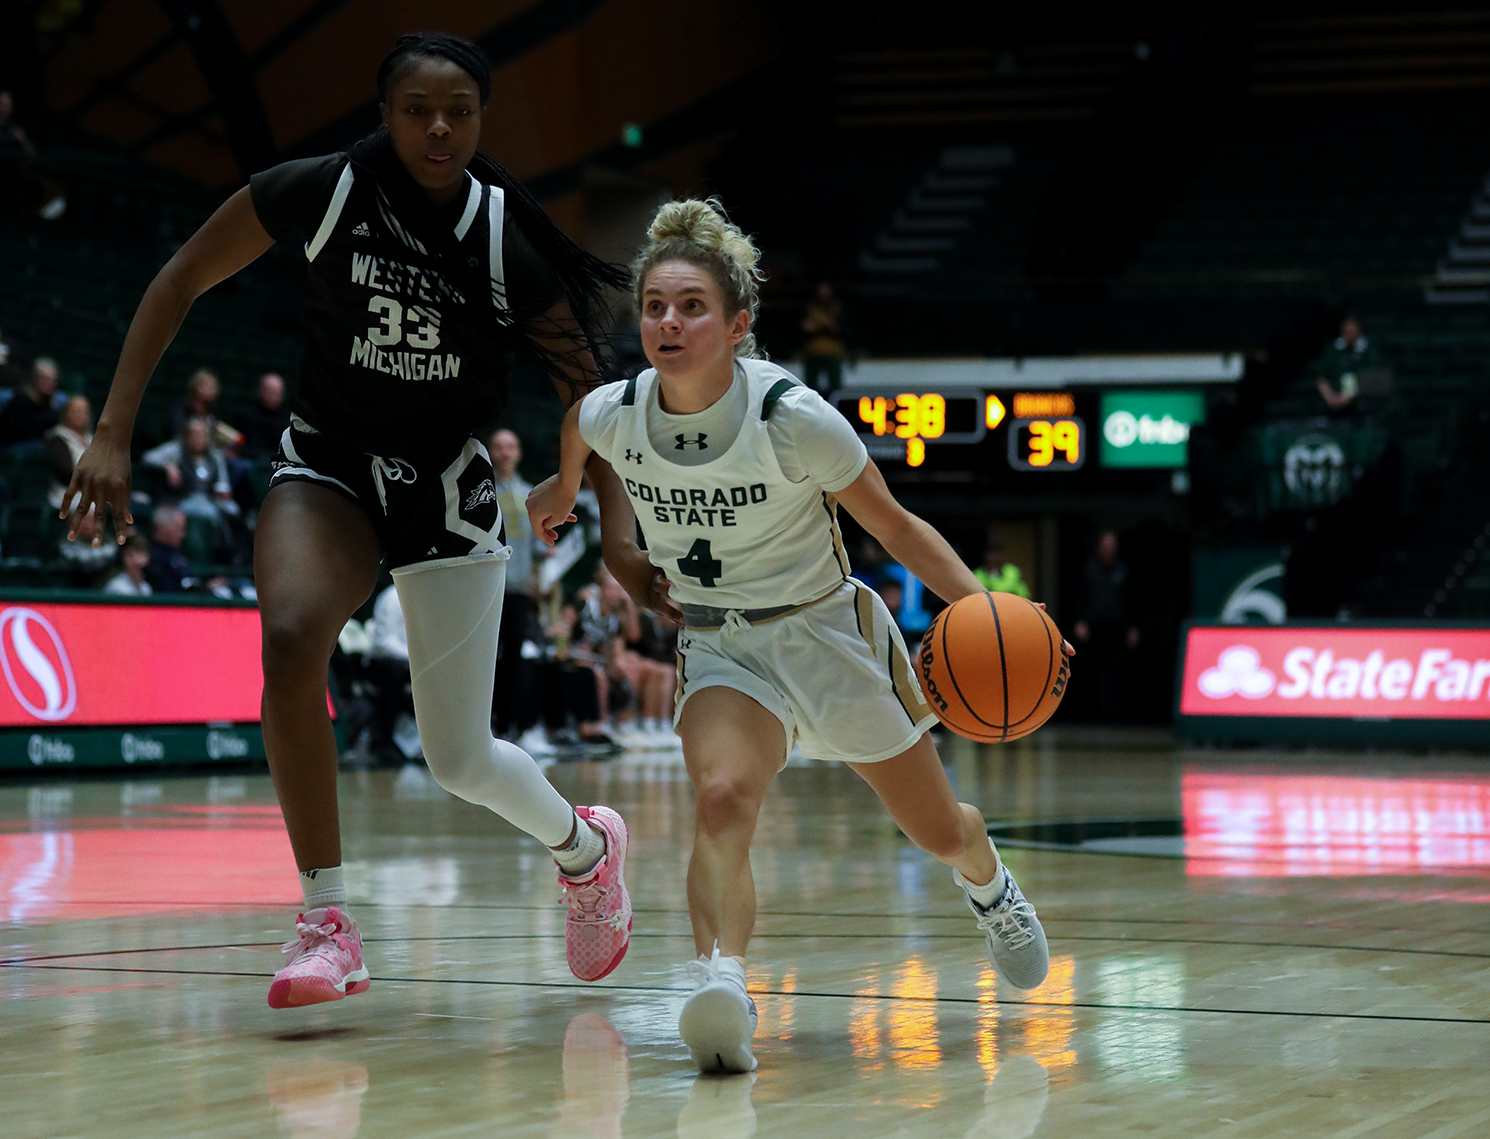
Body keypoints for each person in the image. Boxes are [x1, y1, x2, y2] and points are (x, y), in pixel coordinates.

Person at [61, 33, 668, 1009]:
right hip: (329, 467)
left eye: (459, 111)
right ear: (385, 114)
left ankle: (587, 849)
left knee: (459, 756)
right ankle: (325, 922)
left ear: (478, 121)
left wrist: (619, 539)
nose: (439, 126)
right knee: (294, 633)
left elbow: (590, 393)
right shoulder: (324, 189)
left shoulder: (501, 236)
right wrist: (113, 433)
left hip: (444, 485)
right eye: (419, 108)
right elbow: (178, 278)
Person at [530, 199, 1062, 1074]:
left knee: (936, 829)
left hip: (824, 633)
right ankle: (724, 986)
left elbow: (895, 527)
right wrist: (560, 492)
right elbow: (585, 449)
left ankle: (990, 884)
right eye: (656, 305)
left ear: (737, 325)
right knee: (721, 798)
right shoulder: (607, 412)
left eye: (692, 306)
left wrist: (991, 612)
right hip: (723, 645)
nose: (669, 321)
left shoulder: (792, 417)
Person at [488, 427, 544, 740]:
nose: (505, 453)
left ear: (519, 452)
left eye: (510, 447)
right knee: (487, 657)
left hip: (520, 590)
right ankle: (488, 722)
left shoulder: (529, 493)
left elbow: (537, 548)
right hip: (489, 591)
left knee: (515, 657)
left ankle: (512, 724)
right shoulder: (481, 491)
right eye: (499, 447)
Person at [1071, 529, 1139, 722]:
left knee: (1116, 674)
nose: (1108, 550)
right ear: (1099, 548)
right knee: (1090, 673)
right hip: (1093, 631)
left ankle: (1114, 715)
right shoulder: (1089, 570)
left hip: (1117, 631)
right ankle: (1089, 715)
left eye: (1112, 546)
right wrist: (1079, 622)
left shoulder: (1123, 570)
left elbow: (1132, 601)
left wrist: (1133, 628)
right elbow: (1079, 598)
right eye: (1105, 546)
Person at [1314, 315, 1387, 416]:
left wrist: (1348, 397)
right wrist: (1330, 398)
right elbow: (1322, 379)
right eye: (1347, 328)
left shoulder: (1369, 350)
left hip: (1362, 406)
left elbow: (1374, 378)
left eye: (1353, 328)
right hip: (1334, 406)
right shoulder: (1332, 350)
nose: (1350, 331)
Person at [0, 356, 59, 448]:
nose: (48, 383)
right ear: (34, 378)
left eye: (52, 380)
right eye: (44, 378)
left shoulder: (51, 403)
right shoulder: (20, 401)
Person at [800, 280, 845, 396]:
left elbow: (840, 329)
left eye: (826, 290)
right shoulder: (810, 308)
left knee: (836, 386)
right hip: (814, 351)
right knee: (810, 386)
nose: (824, 294)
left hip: (833, 352)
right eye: (822, 290)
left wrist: (821, 327)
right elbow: (806, 328)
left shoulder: (838, 308)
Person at [237, 372, 293, 460]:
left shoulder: (286, 421)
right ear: (261, 390)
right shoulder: (246, 415)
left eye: (277, 392)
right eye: (270, 391)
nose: (274, 396)